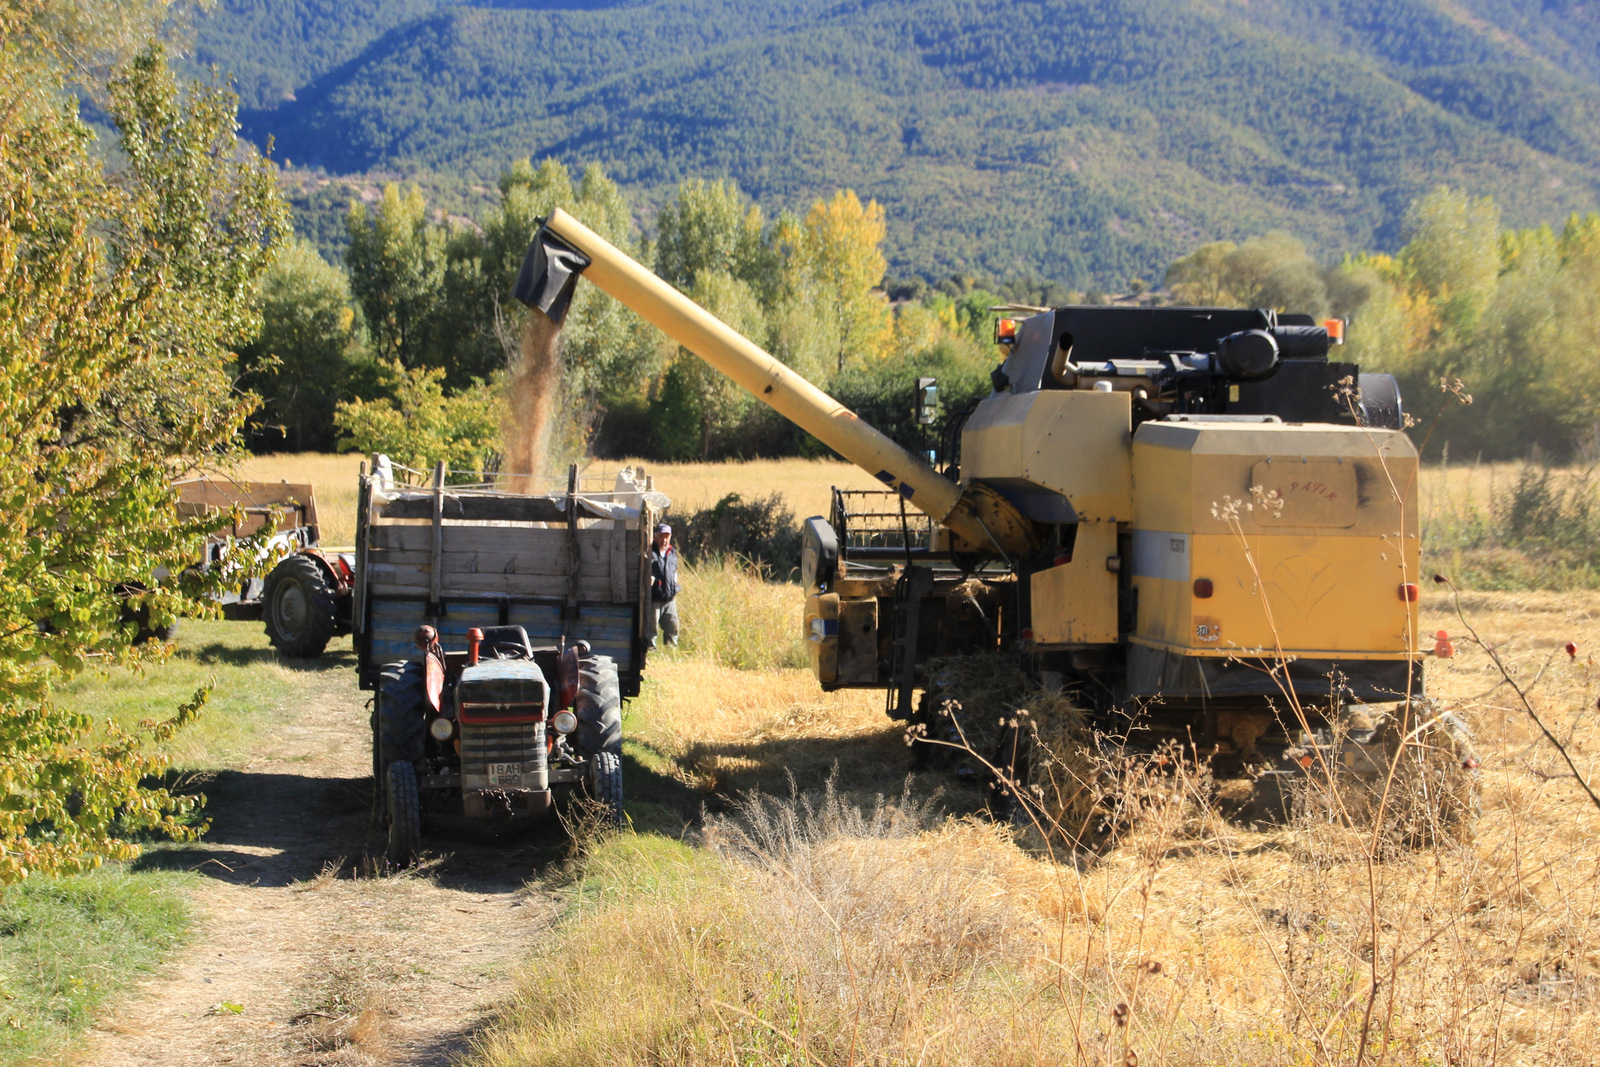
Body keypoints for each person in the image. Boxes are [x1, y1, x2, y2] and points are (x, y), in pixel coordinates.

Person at [647, 522, 680, 648]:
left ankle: (671, 652)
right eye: (661, 536)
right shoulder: (650, 552)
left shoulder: (672, 553)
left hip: (669, 598)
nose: (664, 540)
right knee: (651, 630)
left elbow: (673, 571)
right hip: (654, 598)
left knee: (673, 626)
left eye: (667, 536)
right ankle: (650, 653)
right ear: (655, 537)